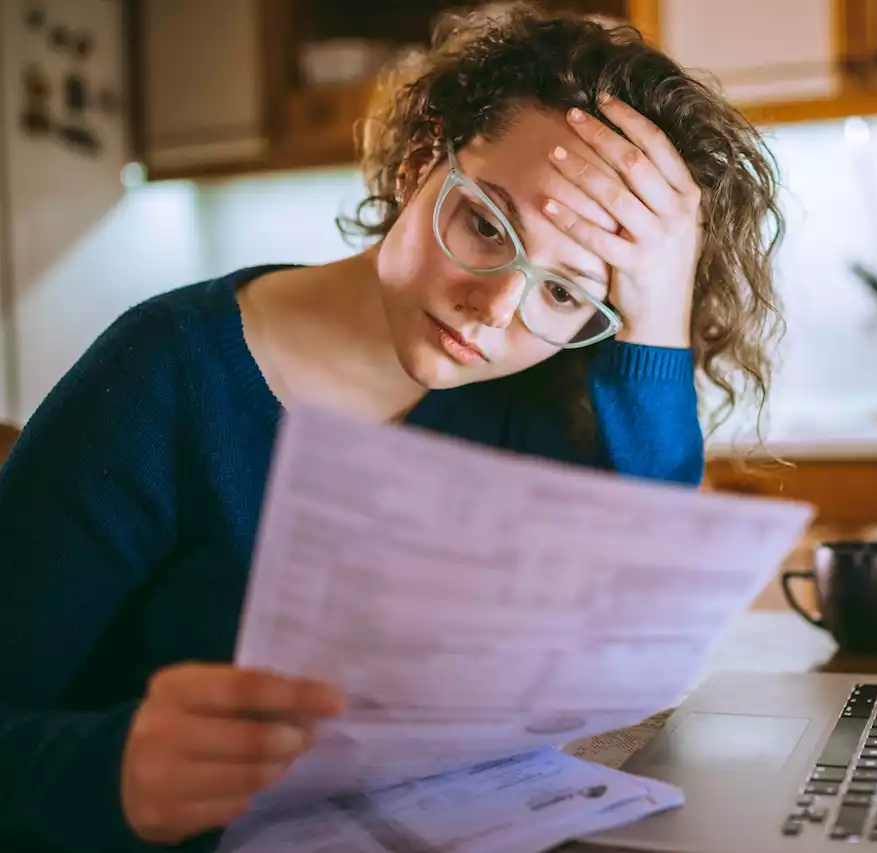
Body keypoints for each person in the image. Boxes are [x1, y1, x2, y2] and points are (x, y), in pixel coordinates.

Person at [0, 3, 785, 852]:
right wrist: (115, 769)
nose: (492, 312)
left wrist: (656, 313)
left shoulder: (545, 398)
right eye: (486, 225)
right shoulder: (164, 373)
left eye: (566, 293)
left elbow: (643, 624)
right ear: (420, 163)